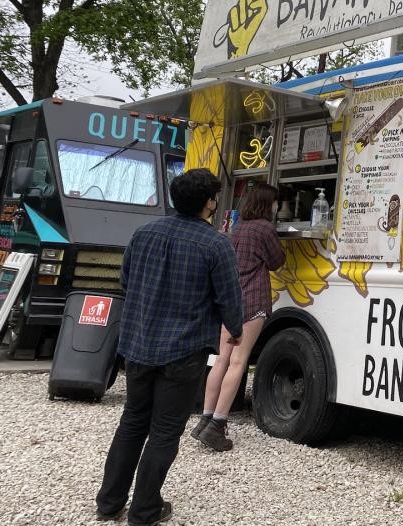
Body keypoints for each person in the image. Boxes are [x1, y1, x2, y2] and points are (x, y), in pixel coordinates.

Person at [95, 168, 243, 526]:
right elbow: (229, 298)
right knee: (164, 430)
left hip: (139, 342)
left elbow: (126, 280)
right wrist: (235, 331)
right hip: (184, 349)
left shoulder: (144, 232)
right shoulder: (215, 243)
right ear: (210, 202)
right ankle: (145, 510)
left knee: (132, 421)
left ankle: (109, 502)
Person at [193, 183, 285, 452]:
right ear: (269, 204)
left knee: (222, 359)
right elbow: (276, 260)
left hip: (230, 300)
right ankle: (218, 425)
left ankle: (205, 418)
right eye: (276, 203)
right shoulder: (265, 228)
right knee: (238, 361)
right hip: (254, 299)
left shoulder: (238, 226)